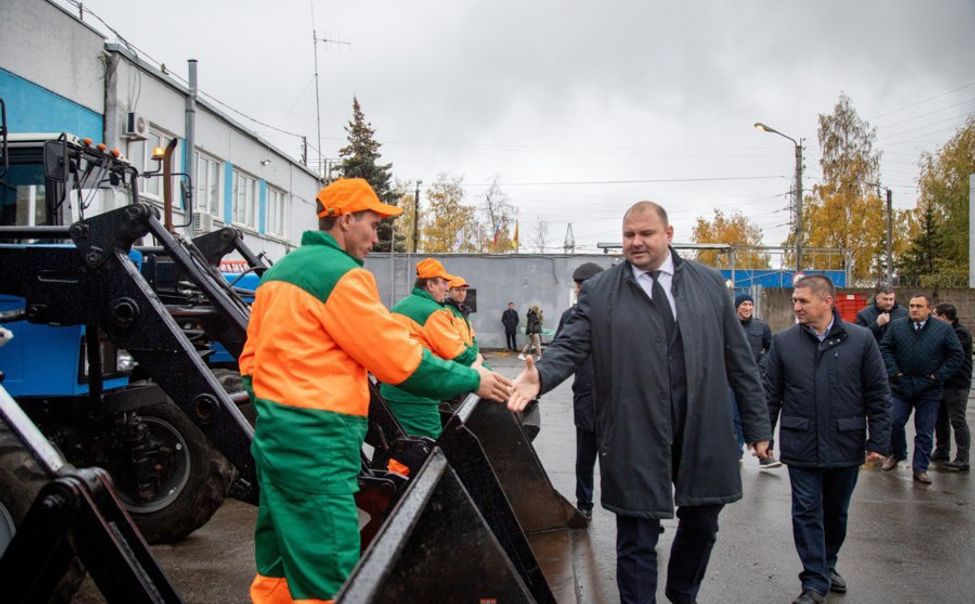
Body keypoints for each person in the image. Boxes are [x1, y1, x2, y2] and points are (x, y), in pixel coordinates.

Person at [241, 179, 513, 603]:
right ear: (346, 220)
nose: (376, 236)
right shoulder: (342, 276)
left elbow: (250, 363)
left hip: (276, 440)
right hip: (320, 447)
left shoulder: (279, 274)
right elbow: (397, 360)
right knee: (329, 574)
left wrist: (280, 414)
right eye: (372, 223)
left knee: (278, 565)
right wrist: (473, 379)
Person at [508, 201, 771, 604]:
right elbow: (571, 345)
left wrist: (757, 427)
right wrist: (540, 376)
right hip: (634, 427)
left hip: (700, 425)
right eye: (629, 234)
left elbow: (739, 360)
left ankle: (682, 592)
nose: (636, 242)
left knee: (702, 522)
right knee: (636, 534)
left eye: (646, 234)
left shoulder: (708, 283)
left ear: (668, 235)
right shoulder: (601, 291)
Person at [763, 274, 891, 604]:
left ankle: (827, 563)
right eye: (794, 300)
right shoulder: (784, 342)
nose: (796, 306)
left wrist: (878, 440)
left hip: (845, 442)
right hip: (801, 441)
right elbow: (770, 393)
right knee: (806, 511)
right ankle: (814, 580)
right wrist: (762, 434)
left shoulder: (861, 340)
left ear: (827, 302)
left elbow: (878, 393)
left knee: (836, 514)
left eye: (803, 300)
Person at [380, 258, 481, 439]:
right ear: (430, 285)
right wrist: (488, 376)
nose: (445, 288)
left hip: (391, 392)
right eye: (443, 283)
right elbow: (457, 353)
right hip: (417, 395)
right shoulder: (433, 312)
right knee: (425, 452)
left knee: (398, 445)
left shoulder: (398, 307)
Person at [879, 294, 964, 483]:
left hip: (929, 388)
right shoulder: (897, 326)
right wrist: (895, 373)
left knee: (925, 430)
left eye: (919, 306)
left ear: (929, 309)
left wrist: (938, 375)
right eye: (911, 305)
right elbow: (885, 349)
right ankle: (897, 453)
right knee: (894, 422)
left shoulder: (942, 329)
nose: (914, 309)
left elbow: (956, 355)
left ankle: (920, 468)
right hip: (901, 385)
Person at [556, 262, 605, 521]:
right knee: (585, 458)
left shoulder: (619, 313)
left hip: (617, 401)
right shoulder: (570, 316)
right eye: (576, 286)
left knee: (623, 461)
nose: (578, 291)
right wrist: (538, 381)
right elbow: (559, 354)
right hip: (586, 396)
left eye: (582, 286)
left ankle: (635, 513)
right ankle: (584, 504)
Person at [732, 293, 778, 468]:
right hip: (731, 379)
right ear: (737, 307)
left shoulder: (761, 327)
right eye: (744, 304)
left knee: (757, 414)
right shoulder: (728, 325)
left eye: (750, 305)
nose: (747, 308)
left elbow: (771, 349)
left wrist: (761, 367)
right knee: (735, 416)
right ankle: (737, 452)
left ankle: (763, 454)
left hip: (753, 379)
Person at [931, 303, 972, 471]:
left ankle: (963, 458)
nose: (932, 318)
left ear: (944, 317)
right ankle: (942, 450)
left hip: (957, 384)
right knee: (940, 420)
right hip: (941, 384)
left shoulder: (960, 334)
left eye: (935, 315)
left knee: (957, 420)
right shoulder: (942, 332)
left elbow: (949, 354)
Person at [446, 275, 484, 365]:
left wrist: (475, 352)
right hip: (458, 360)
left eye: (463, 290)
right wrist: (472, 354)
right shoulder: (447, 311)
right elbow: (453, 340)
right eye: (457, 290)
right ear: (449, 292)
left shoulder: (464, 312)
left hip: (469, 357)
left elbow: (472, 337)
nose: (461, 293)